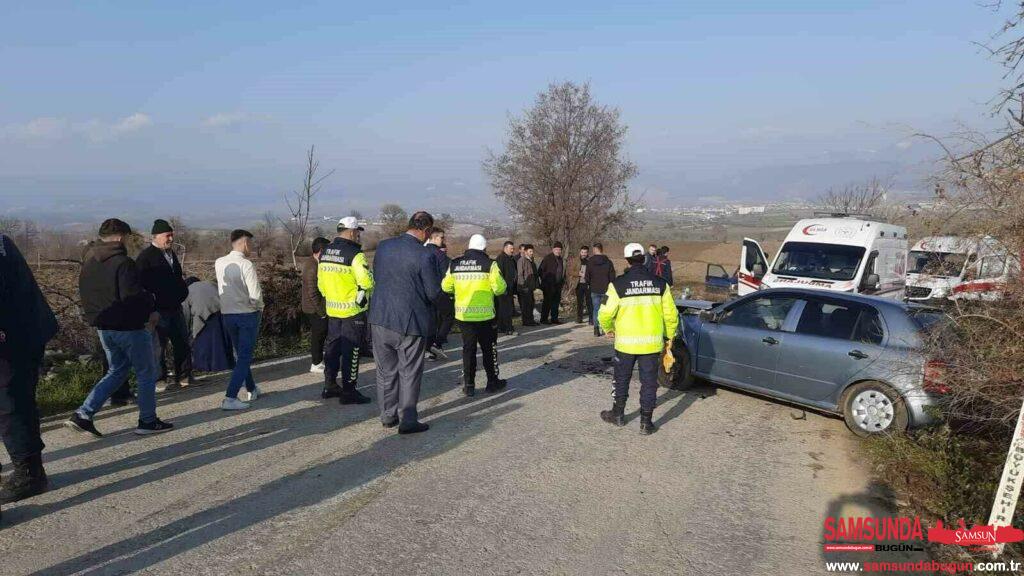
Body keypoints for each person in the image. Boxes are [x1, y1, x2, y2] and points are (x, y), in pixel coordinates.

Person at [66, 218, 173, 437]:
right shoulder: (124, 263)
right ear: (120, 236)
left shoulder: (89, 262)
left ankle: (83, 414)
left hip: (103, 327)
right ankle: (148, 420)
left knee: (117, 370)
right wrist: (150, 302)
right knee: (146, 372)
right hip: (129, 327)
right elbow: (131, 296)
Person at [368, 211, 440, 435]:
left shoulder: (383, 246)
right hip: (410, 322)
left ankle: (387, 416)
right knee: (409, 371)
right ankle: (408, 418)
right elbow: (432, 292)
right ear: (426, 230)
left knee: (385, 370)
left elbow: (378, 276)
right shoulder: (425, 255)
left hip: (380, 317)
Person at [0, 234, 58, 511]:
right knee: (18, 399)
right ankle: (31, 467)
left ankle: (29, 473)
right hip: (24, 329)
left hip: (14, 335)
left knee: (10, 402)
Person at [597, 243, 679, 435]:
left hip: (625, 343)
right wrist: (669, 337)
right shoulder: (661, 284)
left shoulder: (618, 285)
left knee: (621, 379)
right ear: (643, 258)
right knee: (649, 383)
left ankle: (618, 414)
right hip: (651, 344)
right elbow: (671, 316)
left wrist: (608, 329)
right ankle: (646, 423)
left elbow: (604, 313)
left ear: (627, 260)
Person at [442, 234, 508, 396]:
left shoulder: (455, 264)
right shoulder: (490, 264)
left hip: (464, 316)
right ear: (484, 248)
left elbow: (445, 286)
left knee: (468, 350)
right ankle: (492, 382)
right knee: (488, 349)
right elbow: (500, 289)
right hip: (485, 317)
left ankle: (469, 386)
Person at [318, 217, 374, 405]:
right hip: (352, 311)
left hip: (333, 309)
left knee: (332, 348)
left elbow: (321, 283)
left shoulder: (325, 252)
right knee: (352, 350)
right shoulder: (355, 254)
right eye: (358, 232)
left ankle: (330, 385)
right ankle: (349, 391)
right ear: (351, 232)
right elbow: (366, 282)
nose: (358, 235)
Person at [136, 219, 192, 389]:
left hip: (175, 306)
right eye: (167, 236)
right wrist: (150, 307)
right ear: (156, 236)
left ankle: (184, 375)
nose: (171, 239)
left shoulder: (171, 254)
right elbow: (140, 284)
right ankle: (160, 379)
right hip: (158, 309)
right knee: (159, 346)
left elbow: (178, 278)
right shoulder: (146, 257)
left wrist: (183, 292)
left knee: (181, 341)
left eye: (172, 235)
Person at [215, 229, 264, 411]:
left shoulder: (219, 262)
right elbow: (255, 294)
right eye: (250, 243)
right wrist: (259, 307)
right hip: (246, 314)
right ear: (244, 243)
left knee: (241, 354)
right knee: (244, 356)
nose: (251, 247)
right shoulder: (246, 264)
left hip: (227, 314)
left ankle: (251, 388)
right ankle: (230, 396)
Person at [182, 276, 233, 373]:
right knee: (222, 339)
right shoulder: (210, 283)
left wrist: (186, 330)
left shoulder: (187, 290)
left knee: (203, 343)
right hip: (223, 311)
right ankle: (226, 364)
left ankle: (205, 367)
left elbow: (185, 313)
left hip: (204, 315)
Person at [302, 237, 330, 373]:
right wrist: (322, 312)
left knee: (319, 335)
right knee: (318, 335)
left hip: (314, 307)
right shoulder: (312, 266)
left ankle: (318, 360)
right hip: (313, 309)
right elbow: (312, 292)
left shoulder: (315, 263)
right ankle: (316, 363)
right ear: (321, 251)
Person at [424, 227, 452, 361]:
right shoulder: (440, 255)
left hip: (423, 293)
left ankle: (429, 350)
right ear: (434, 238)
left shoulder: (421, 252)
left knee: (430, 321)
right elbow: (446, 276)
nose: (443, 240)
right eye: (441, 237)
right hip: (438, 292)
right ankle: (438, 343)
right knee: (449, 315)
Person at [584, 242, 616, 337]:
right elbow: (612, 277)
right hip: (606, 290)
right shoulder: (608, 262)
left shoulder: (590, 261)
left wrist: (589, 284)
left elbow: (587, 276)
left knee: (596, 309)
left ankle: (596, 329)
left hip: (594, 289)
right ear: (602, 249)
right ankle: (605, 328)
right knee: (604, 309)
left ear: (595, 249)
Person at [538, 242, 566, 324]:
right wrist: (546, 280)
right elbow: (540, 271)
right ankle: (543, 319)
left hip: (558, 285)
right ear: (553, 249)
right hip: (548, 285)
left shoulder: (560, 259)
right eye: (556, 249)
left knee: (556, 303)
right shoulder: (547, 258)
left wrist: (562, 281)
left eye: (559, 249)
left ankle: (554, 318)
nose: (558, 251)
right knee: (547, 303)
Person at [495, 241, 518, 336]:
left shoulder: (511, 259)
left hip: (510, 288)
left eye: (513, 248)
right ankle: (508, 328)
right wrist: (502, 288)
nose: (512, 250)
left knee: (504, 309)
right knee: (506, 310)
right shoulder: (501, 259)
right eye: (511, 248)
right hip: (503, 289)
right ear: (505, 248)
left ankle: (502, 327)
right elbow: (499, 275)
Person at [516, 244, 539, 326]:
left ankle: (531, 320)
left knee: (531, 304)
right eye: (530, 251)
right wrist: (523, 286)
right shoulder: (521, 260)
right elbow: (520, 275)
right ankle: (526, 321)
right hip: (524, 288)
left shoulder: (531, 261)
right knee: (526, 305)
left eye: (532, 251)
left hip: (530, 287)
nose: (532, 253)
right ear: (525, 252)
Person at [575, 245, 592, 324]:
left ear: (588, 253)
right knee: (579, 302)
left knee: (589, 302)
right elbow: (570, 271)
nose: (584, 254)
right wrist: (577, 273)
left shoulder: (590, 261)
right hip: (578, 284)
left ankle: (591, 318)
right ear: (580, 252)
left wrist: (585, 275)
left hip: (588, 284)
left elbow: (593, 272)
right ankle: (579, 318)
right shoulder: (576, 261)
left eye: (585, 252)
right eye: (582, 252)